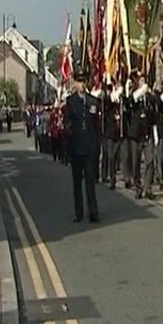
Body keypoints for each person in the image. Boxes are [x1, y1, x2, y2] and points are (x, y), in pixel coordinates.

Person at [65, 72, 100, 223]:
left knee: (90, 181)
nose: (81, 84)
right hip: (76, 146)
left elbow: (97, 125)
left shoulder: (93, 101)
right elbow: (67, 123)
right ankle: (78, 213)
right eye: (79, 82)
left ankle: (93, 212)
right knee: (77, 182)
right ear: (75, 83)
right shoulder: (70, 101)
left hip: (90, 147)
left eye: (83, 81)